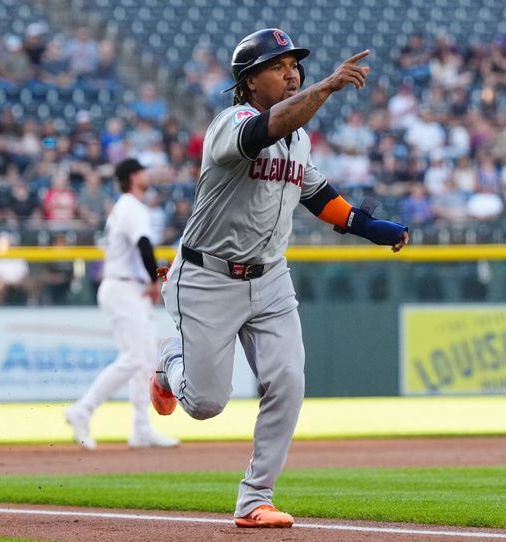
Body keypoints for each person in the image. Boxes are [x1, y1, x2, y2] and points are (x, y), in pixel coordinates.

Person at [149, 28, 408, 529]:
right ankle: (169, 363)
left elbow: (319, 196)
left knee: (287, 381)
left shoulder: (300, 137)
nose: (291, 72)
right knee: (205, 404)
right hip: (208, 278)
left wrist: (372, 226)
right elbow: (259, 135)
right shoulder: (232, 123)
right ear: (248, 82)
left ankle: (255, 499)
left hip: (270, 279)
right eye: (277, 66)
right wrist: (328, 88)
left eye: (295, 65)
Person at [65, 158, 179, 451]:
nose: (146, 174)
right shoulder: (131, 205)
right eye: (141, 170)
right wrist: (156, 282)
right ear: (132, 176)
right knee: (134, 358)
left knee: (144, 360)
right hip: (122, 287)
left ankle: (141, 429)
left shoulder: (126, 207)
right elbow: (143, 245)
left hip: (130, 288)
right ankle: (83, 409)